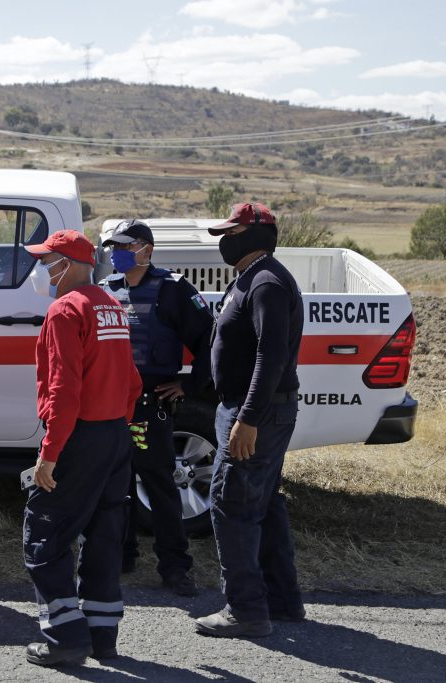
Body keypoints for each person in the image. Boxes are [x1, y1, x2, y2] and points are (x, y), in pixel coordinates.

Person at [21, 230, 142, 667]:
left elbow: (63, 389)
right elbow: (132, 382)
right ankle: (101, 635)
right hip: (113, 435)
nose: (40, 269)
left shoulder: (64, 310)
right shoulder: (112, 306)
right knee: (104, 534)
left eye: (46, 260)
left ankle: (65, 638)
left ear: (68, 264)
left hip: (79, 437)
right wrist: (117, 429)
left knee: (45, 534)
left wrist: (49, 453)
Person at [195, 202, 305, 638]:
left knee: (232, 505)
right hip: (246, 408)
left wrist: (248, 418)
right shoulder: (251, 278)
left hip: (255, 411)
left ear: (253, 235)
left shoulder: (267, 283)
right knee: (264, 503)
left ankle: (246, 610)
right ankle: (281, 601)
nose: (224, 240)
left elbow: (270, 355)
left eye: (231, 232)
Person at [100, 219, 214, 596]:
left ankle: (175, 566)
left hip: (151, 403)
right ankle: (122, 555)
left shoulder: (174, 290)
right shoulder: (105, 290)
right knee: (114, 483)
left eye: (125, 245)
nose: (116, 252)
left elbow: (210, 343)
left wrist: (189, 385)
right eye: (112, 246)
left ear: (147, 249)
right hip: (113, 402)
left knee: (159, 484)